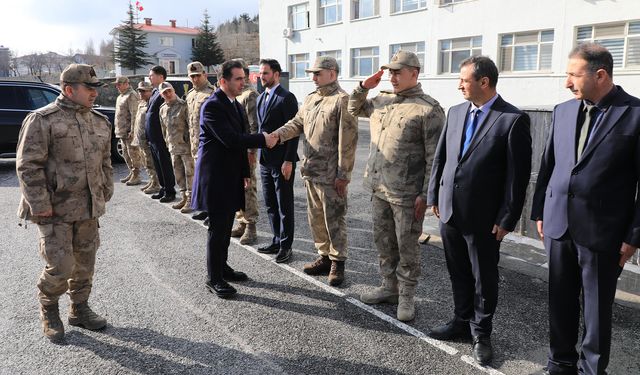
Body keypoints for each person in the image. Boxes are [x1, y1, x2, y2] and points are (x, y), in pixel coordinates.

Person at [531, 43, 640, 375]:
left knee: (595, 310)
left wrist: (634, 235)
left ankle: (592, 370)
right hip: (558, 225)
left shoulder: (634, 114)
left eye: (573, 75)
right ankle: (559, 363)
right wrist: (539, 212)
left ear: (600, 75)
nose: (567, 82)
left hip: (604, 232)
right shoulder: (563, 111)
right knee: (559, 301)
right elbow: (548, 164)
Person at [427, 56, 532, 366]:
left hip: (485, 218)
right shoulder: (456, 112)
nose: (459, 84)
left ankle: (481, 333)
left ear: (484, 82)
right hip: (449, 211)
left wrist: (508, 218)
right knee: (457, 271)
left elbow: (517, 176)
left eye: (464, 79)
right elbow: (441, 158)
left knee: (483, 277)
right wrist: (435, 193)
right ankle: (460, 321)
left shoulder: (512, 119)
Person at [16, 64, 114, 342]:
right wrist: (39, 204)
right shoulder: (42, 120)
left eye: (96, 88)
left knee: (85, 262)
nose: (95, 93)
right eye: (89, 88)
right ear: (69, 89)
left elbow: (105, 162)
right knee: (61, 264)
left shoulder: (99, 121)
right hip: (54, 209)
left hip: (88, 208)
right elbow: (27, 166)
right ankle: (48, 308)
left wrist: (105, 189)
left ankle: (79, 309)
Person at [348, 51, 445, 322]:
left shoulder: (429, 109)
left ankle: (407, 296)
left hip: (406, 194)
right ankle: (388, 287)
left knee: (407, 247)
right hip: (379, 188)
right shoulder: (382, 101)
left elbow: (434, 158)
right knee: (383, 242)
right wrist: (364, 87)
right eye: (390, 72)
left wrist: (426, 195)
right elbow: (353, 108)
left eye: (397, 72)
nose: (392, 77)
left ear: (414, 73)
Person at [191, 60, 277, 298]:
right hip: (216, 179)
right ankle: (213, 278)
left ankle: (223, 267)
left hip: (230, 176)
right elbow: (231, 139)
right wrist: (263, 139)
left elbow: (239, 143)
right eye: (238, 79)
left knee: (226, 226)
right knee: (217, 229)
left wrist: (244, 174)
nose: (243, 82)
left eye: (243, 78)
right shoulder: (212, 106)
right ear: (223, 82)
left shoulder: (236, 105)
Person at [272, 56, 358, 286]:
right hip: (311, 171)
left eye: (317, 73)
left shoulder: (342, 100)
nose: (313, 77)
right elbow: (296, 123)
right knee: (316, 219)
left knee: (335, 220)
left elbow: (348, 142)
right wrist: (277, 135)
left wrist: (344, 175)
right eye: (312, 73)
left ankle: (338, 263)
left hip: (331, 176)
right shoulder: (311, 99)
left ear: (332, 73)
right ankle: (324, 257)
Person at [255, 58, 299, 263]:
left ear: (276, 75)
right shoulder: (260, 98)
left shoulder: (286, 98)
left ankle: (286, 246)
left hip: (282, 160)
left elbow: (294, 132)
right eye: (260, 73)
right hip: (265, 160)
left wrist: (289, 160)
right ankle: (275, 239)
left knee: (284, 204)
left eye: (265, 73)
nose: (262, 77)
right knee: (271, 203)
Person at [230, 59, 260, 245]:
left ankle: (251, 225)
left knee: (249, 188)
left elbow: (253, 126)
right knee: (236, 187)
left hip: (245, 149)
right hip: (234, 149)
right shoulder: (235, 94)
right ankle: (241, 220)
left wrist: (251, 151)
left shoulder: (250, 95)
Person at [185, 61, 215, 221]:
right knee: (200, 179)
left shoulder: (212, 93)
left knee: (211, 180)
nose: (195, 79)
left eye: (198, 75)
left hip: (208, 146)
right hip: (194, 145)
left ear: (205, 74)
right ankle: (205, 208)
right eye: (192, 76)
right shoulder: (190, 95)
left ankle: (213, 211)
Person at [159, 82, 194, 213]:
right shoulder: (162, 108)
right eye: (164, 93)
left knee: (189, 174)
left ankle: (191, 199)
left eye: (169, 91)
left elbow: (190, 126)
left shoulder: (183, 106)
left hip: (185, 147)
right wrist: (167, 143)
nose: (167, 94)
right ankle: (184, 197)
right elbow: (164, 129)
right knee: (178, 174)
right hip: (173, 148)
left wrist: (189, 142)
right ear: (162, 95)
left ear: (173, 91)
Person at [146, 65, 176, 203]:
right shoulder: (154, 92)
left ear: (161, 77)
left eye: (151, 75)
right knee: (158, 165)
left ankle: (170, 191)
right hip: (152, 137)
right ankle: (163, 188)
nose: (149, 77)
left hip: (160, 136)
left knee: (164, 164)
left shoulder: (164, 93)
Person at [132, 81, 161, 194]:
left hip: (148, 139)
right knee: (145, 162)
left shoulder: (152, 103)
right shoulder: (141, 103)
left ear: (150, 91)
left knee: (151, 162)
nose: (141, 93)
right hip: (140, 139)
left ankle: (156, 183)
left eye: (143, 91)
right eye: (139, 91)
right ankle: (151, 180)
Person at [114, 76, 143, 186]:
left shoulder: (131, 95)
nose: (117, 86)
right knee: (126, 154)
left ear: (127, 83)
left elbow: (134, 114)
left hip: (128, 131)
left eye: (119, 84)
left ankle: (136, 175)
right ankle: (132, 173)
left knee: (133, 153)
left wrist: (132, 130)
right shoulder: (121, 96)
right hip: (121, 131)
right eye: (116, 85)